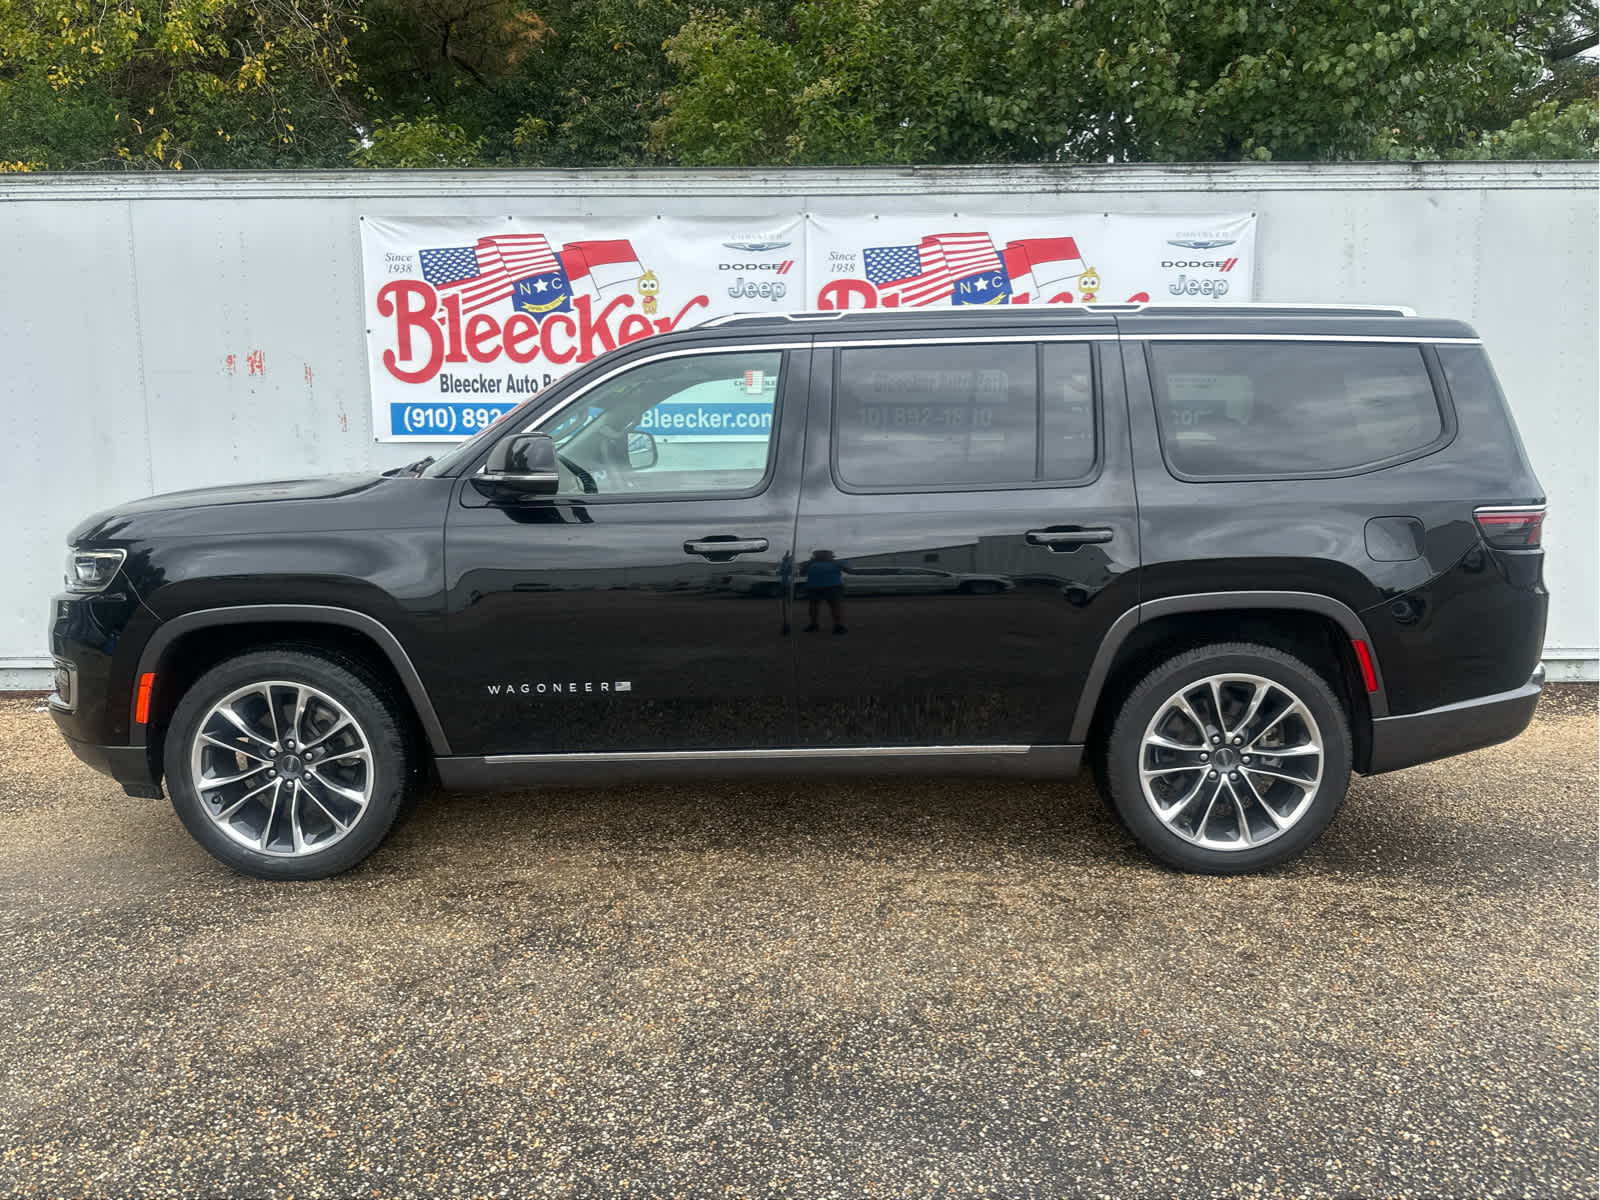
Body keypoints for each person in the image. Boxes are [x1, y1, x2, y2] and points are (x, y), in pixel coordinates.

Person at [800, 548, 850, 633]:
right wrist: (810, 562)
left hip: (833, 587)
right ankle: (814, 625)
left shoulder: (839, 562)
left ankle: (838, 626)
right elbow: (802, 573)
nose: (822, 556)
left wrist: (832, 561)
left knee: (835, 607)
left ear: (831, 555)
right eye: (819, 554)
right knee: (813, 607)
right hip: (814, 587)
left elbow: (848, 570)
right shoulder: (808, 563)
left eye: (825, 554)